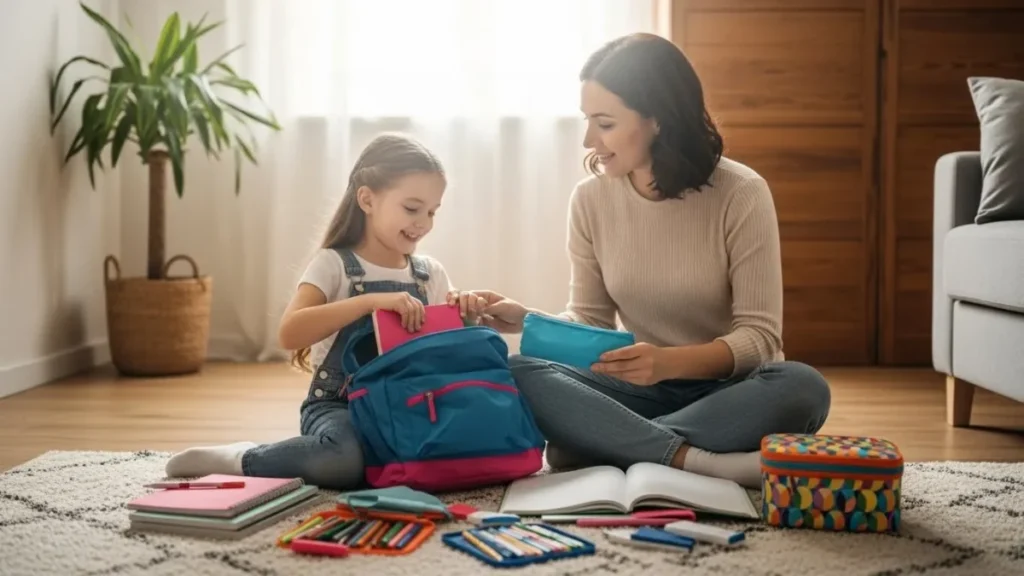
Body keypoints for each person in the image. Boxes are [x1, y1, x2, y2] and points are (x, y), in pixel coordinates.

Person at [451, 33, 831, 489]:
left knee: (803, 387)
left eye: (605, 123)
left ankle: (609, 444)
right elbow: (591, 319)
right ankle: (699, 461)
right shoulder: (590, 200)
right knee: (519, 369)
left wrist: (668, 362)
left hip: (729, 391)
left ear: (657, 120)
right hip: (641, 392)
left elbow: (760, 338)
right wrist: (525, 319)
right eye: (587, 121)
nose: (589, 140)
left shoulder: (741, 193)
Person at [165, 134, 459, 489]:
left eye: (432, 211)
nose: (424, 223)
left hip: (408, 406)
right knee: (342, 461)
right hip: (339, 408)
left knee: (460, 445)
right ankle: (243, 458)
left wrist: (468, 310)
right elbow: (290, 333)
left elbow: (447, 351)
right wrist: (368, 302)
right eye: (412, 209)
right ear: (367, 199)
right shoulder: (333, 265)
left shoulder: (430, 274)